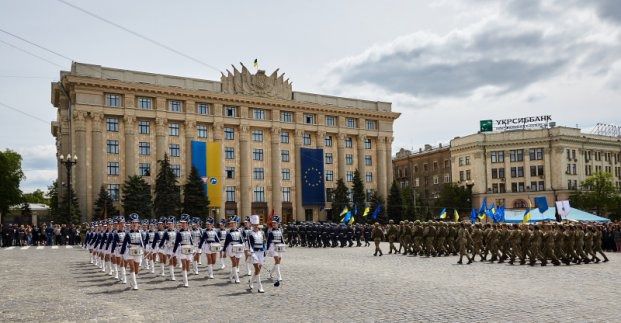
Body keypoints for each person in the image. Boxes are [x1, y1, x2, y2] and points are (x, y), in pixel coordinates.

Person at [120, 213, 144, 290]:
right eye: (133, 223)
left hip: (138, 251)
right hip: (129, 251)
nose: (134, 224)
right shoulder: (127, 234)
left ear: (138, 224)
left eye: (136, 222)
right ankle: (135, 284)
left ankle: (132, 279)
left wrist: (144, 249)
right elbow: (124, 244)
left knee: (136, 269)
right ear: (130, 224)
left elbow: (143, 243)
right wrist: (122, 253)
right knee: (132, 267)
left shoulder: (141, 233)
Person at [173, 214, 193, 287]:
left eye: (184, 223)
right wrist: (173, 252)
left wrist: (193, 249)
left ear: (187, 223)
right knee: (184, 265)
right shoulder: (178, 233)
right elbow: (176, 243)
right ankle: (186, 281)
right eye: (182, 223)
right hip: (182, 249)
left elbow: (191, 241)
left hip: (189, 249)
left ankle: (185, 277)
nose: (183, 224)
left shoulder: (190, 232)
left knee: (188, 266)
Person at [247, 215, 266, 293]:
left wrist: (265, 251)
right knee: (257, 269)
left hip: (261, 252)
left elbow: (264, 242)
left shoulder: (262, 232)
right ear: (252, 225)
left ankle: (251, 282)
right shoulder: (250, 234)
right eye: (254, 225)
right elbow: (249, 245)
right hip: (254, 253)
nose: (255, 226)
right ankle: (260, 287)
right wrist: (252, 253)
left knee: (258, 270)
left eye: (256, 225)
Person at [223, 217, 244, 284]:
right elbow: (226, 243)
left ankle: (230, 276)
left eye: (233, 223)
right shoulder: (228, 232)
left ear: (236, 224)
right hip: (231, 247)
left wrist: (243, 246)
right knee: (234, 262)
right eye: (230, 223)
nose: (231, 225)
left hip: (238, 247)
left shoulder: (240, 231)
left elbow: (241, 240)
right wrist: (224, 251)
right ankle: (237, 278)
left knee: (237, 263)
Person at [267, 216, 285, 286]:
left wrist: (283, 245)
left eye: (275, 223)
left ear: (278, 224)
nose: (274, 224)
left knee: (278, 261)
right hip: (273, 247)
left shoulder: (280, 230)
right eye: (273, 223)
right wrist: (267, 249)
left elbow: (282, 239)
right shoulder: (270, 231)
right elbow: (268, 241)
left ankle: (271, 273)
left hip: (279, 246)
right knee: (277, 260)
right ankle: (279, 276)